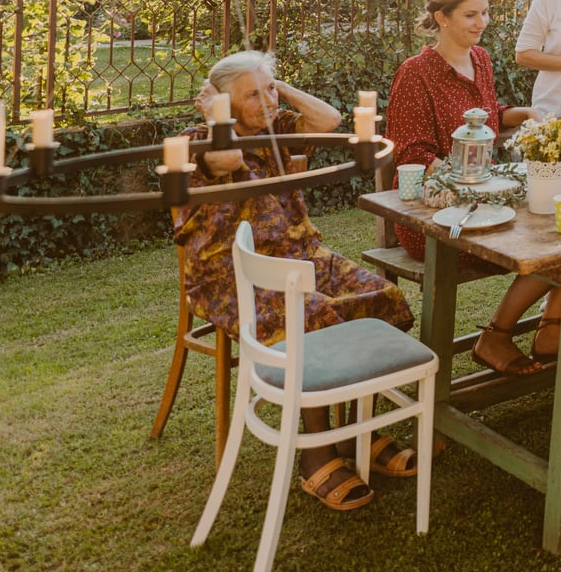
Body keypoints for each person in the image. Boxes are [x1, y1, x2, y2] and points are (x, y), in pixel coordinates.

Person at [174, 50, 417, 514]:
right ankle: (317, 451)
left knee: (381, 297)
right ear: (222, 102)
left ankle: (359, 432)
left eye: (269, 90)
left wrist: (272, 88)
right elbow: (227, 160)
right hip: (231, 274)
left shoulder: (277, 126)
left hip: (301, 255)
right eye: (251, 95)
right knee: (311, 316)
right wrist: (216, 113)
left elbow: (328, 120)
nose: (266, 101)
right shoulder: (198, 140)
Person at [386, 0, 555, 377]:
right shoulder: (416, 72)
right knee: (553, 240)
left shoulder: (480, 59)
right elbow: (412, 154)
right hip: (435, 214)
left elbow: (486, 117)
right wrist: (470, 181)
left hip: (488, 198)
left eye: (485, 13)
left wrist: (523, 113)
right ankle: (496, 335)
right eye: (470, 15)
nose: (482, 22)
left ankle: (553, 328)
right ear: (441, 18)